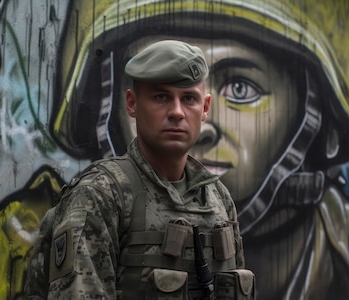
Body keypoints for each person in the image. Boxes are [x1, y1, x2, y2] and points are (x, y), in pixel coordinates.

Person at [26, 40, 253, 299]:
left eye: (188, 98)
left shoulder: (217, 198)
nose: (177, 112)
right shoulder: (102, 194)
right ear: (132, 103)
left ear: (204, 108)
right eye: (161, 97)